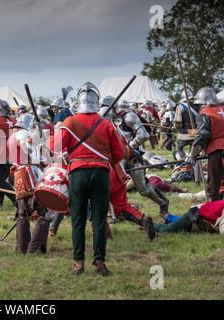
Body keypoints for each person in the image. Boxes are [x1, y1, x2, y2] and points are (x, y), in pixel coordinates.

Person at [51, 82, 125, 276]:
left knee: (78, 220)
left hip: (78, 173)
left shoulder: (69, 122)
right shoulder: (105, 123)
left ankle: (78, 263)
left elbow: (55, 147)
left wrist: (66, 152)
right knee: (99, 219)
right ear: (96, 101)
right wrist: (104, 161)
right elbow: (120, 153)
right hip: (101, 174)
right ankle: (100, 262)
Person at [98, 105, 156, 241]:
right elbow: (123, 150)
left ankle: (105, 234)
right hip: (117, 173)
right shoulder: (117, 130)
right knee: (121, 206)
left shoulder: (91, 131)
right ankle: (142, 219)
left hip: (100, 172)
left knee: (95, 205)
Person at [115, 99, 169, 217]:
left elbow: (144, 135)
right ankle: (115, 214)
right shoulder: (108, 118)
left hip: (132, 157)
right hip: (116, 159)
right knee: (114, 187)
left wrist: (128, 148)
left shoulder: (129, 116)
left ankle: (163, 202)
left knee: (143, 189)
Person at [7, 113, 49, 254]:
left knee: (22, 213)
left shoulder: (11, 136)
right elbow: (27, 147)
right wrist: (38, 132)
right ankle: (35, 248)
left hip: (19, 175)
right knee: (44, 213)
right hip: (29, 175)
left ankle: (22, 247)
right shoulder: (22, 134)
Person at [186, 87, 224, 201]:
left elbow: (203, 135)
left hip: (218, 151)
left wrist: (192, 154)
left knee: (213, 188)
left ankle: (211, 214)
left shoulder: (205, 113)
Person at [174, 89, 202, 186]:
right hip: (195, 134)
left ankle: (186, 161)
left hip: (184, 135)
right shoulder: (197, 106)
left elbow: (178, 121)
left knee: (178, 148)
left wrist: (177, 127)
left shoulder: (180, 106)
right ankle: (197, 181)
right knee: (195, 156)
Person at [153, 199, 224, 235]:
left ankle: (168, 217)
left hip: (202, 216)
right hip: (193, 220)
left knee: (178, 222)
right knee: (165, 229)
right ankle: (144, 221)